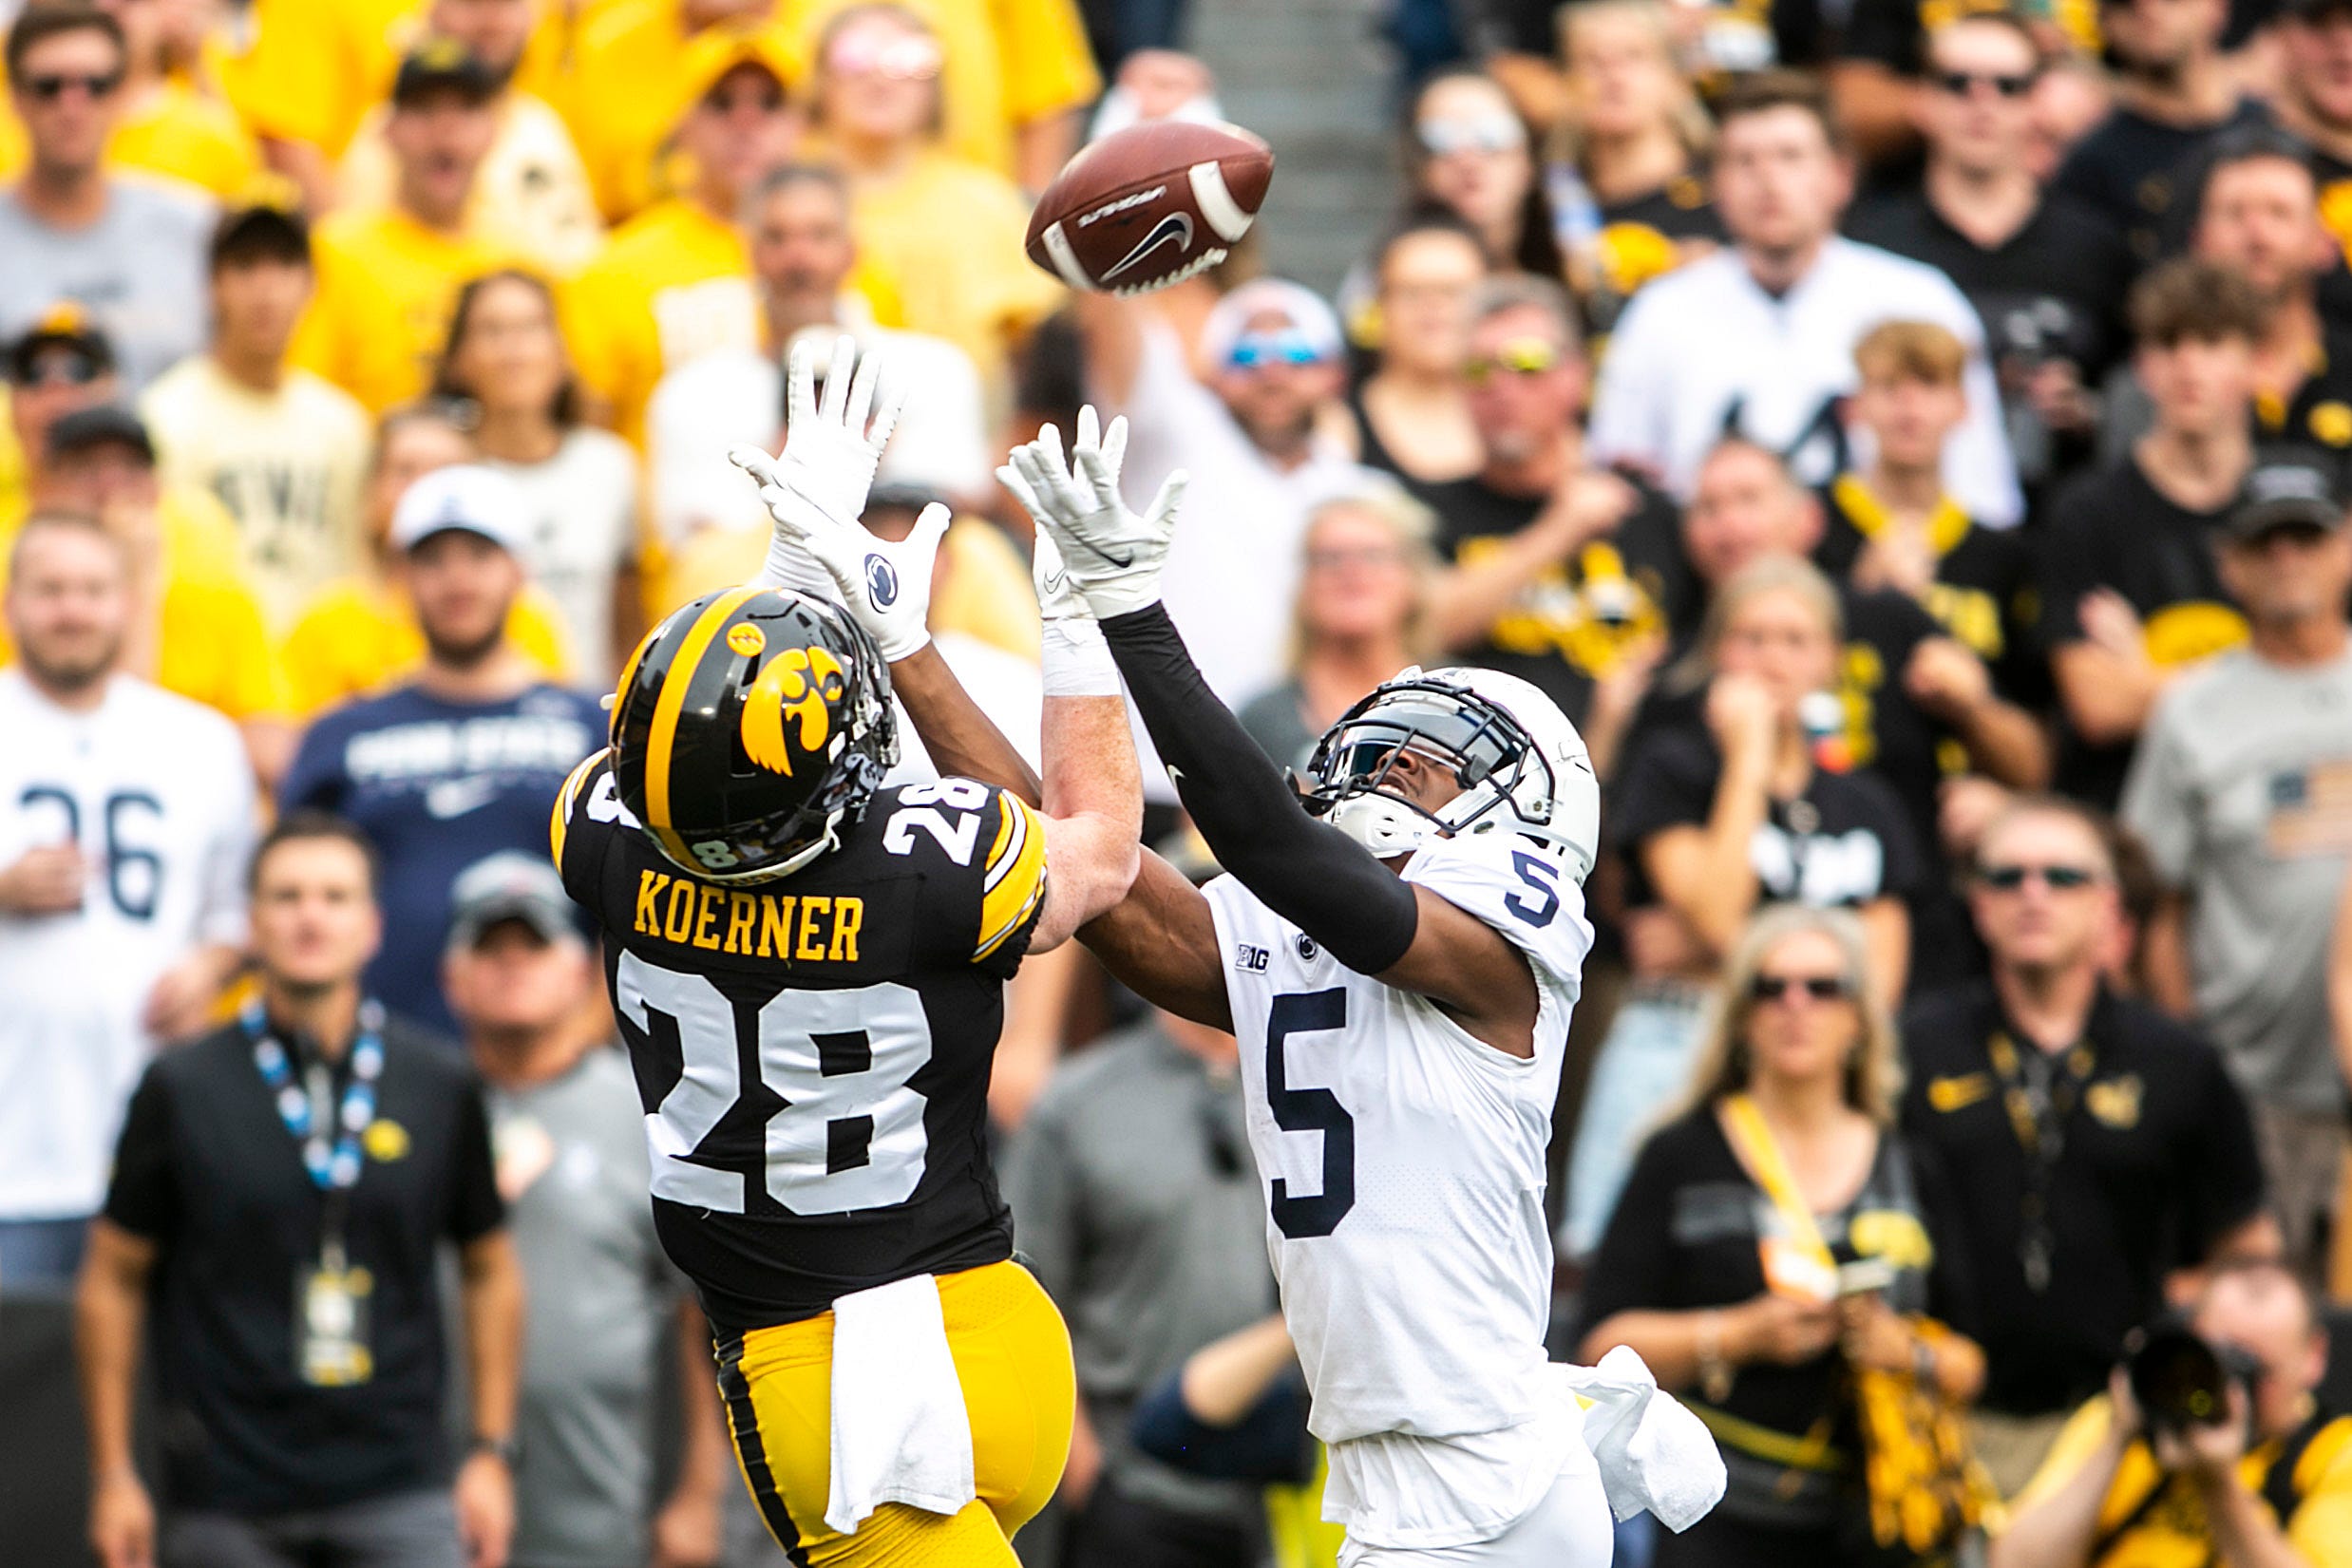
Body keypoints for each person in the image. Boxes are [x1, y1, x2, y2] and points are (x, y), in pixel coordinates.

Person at [825, 395, 1723, 1560]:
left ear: (1521, 815)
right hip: (1386, 1479)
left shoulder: (1507, 935)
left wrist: (1132, 610)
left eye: (1433, 761)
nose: (1390, 761)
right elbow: (1071, 860)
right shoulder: (1300, 920)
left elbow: (1266, 841)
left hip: (1488, 1480)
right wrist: (911, 655)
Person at [555, 337, 1148, 1563]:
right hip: (993, 1328)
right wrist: (1080, 614)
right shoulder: (930, 863)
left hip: (824, 1384)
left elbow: (702, 733)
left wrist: (783, 570)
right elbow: (1104, 847)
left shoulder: (599, 834)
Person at [76, 813, 522, 1568]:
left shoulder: (438, 1081)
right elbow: (110, 1278)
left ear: (373, 924)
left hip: (401, 1484)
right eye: (286, 896)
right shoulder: (181, 1083)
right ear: (251, 923)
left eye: (334, 896)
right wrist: (115, 1472)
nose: (310, 915)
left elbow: (491, 1268)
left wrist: (490, 1449)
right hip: (226, 1492)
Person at [1578, 904, 1985, 1568]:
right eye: (1771, 987)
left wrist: (1904, 1350)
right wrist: (1739, 1335)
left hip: (1880, 1521)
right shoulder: (1678, 1155)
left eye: (1823, 987)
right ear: (1740, 1015)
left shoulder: (1912, 1162)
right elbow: (1602, 1347)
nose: (1796, 1004)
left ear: (1860, 1017)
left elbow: (1973, 1362)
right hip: (1715, 1519)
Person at [1899, 794, 2274, 1496]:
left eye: (2061, 877)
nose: (2032, 894)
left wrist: (2193, 1318)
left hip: (2115, 1429)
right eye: (2006, 877)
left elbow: (2247, 1247)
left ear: (2109, 908)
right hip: (1936, 1418)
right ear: (1978, 904)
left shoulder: (2180, 1060)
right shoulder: (1914, 1046)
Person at [1564, 557, 1924, 1261]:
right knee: (1614, 1261)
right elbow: (1720, 919)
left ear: (1831, 659)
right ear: (1718, 652)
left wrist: (1722, 946)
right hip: (1677, 1038)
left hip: (1816, 1055)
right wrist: (1749, 759)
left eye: (1794, 639)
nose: (1771, 658)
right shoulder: (1674, 766)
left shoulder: (1867, 801)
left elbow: (1876, 980)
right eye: (1750, 637)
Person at [442, 852, 730, 1568]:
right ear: (452, 979)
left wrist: (699, 1493)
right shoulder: (417, 1108)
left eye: (532, 945)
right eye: (489, 948)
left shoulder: (653, 1116)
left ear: (577, 972)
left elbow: (704, 1316)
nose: (512, 965)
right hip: (426, 1507)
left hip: (607, 1507)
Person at [1588, 70, 2022, 526]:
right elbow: (1618, 485)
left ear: (1840, 175)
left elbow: (1984, 495)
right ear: (1716, 184)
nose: (1768, 180)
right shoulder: (1662, 311)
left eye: (1791, 157)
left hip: (1881, 571)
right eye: (1744, 161)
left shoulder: (1918, 300)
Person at [0, 512, 253, 1293]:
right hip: (12, 1148)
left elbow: (240, 912)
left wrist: (209, 970)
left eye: (92, 589)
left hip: (154, 1132)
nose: (71, 609)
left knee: (158, 1398)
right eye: (49, 590)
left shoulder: (201, 740)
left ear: (130, 602)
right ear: (11, 602)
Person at [2123, 451, 2352, 1279]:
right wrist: (2195, 1055)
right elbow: (2158, 902)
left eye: (2307, 537)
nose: (2288, 558)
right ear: (2230, 565)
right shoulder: (2192, 708)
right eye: (2266, 544)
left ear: (2346, 547)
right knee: (2265, 1321)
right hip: (2254, 1088)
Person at [280, 463, 602, 1040]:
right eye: (433, 559)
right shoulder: (340, 736)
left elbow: (638, 909)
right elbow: (286, 904)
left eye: (479, 555)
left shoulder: (590, 730)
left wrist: (583, 1035)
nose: (457, 580)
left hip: (554, 1061)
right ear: (400, 576)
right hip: (381, 1063)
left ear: (519, 570)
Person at [1003, 995, 1279, 1568]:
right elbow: (1018, 1314)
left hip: (1268, 1502)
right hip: (1127, 1496)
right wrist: (1095, 1491)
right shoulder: (1077, 1106)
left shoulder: (1315, 1093)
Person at [646, 161, 991, 573]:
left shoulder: (934, 370)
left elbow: (958, 505)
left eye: (819, 235)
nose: (799, 258)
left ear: (852, 251)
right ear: (750, 254)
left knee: (980, 557)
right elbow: (701, 540)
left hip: (911, 596)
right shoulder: (694, 393)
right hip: (761, 599)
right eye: (777, 238)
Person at [1844, 11, 2131, 490]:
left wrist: (2087, 411)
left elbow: (2135, 393)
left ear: (2037, 104)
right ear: (1922, 100)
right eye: (1958, 83)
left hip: (2062, 510)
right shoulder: (1869, 244)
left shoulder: (2096, 247)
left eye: (2008, 85)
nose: (1983, 103)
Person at [1077, 277, 1378, 712]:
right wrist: (1108, 253)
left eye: (1297, 352)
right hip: (1164, 750)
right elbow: (1124, 336)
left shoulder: (1359, 492)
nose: (1272, 372)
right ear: (1214, 374)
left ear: (1335, 375)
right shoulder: (1175, 442)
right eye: (1246, 355)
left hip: (1301, 755)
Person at [2038, 257, 2264, 810]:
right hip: (2128, 810)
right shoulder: (2086, 511)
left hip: (2268, 807)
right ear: (2142, 367)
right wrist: (2268, 673)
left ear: (2255, 363)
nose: (2189, 367)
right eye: (2168, 344)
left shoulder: (2293, 504)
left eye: (2211, 343)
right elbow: (2100, 707)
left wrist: (2147, 675)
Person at [561, 19, 850, 450]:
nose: (746, 123)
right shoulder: (613, 272)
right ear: (683, 125)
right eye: (721, 103)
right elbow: (586, 439)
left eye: (770, 104)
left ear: (800, 125)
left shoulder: (844, 257)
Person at [1413, 276, 1686, 726]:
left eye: (1527, 363)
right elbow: (1425, 628)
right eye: (1479, 369)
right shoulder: (1428, 512)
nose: (1502, 386)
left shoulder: (1648, 511)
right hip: (1487, 780)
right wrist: (1559, 531)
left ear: (1578, 375)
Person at [1991, 1259, 2352, 1568]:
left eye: (2254, 1372)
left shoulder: (2333, 1454)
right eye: (2218, 1360)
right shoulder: (2126, 1418)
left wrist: (2218, 1485)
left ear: (2314, 1356)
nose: (2231, 1390)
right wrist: (2117, 1441)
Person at [15, 405, 291, 777]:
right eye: (87, 469)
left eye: (131, 469)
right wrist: (139, 588)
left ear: (157, 487)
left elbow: (272, 751)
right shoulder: (24, 592)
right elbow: (98, 737)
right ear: (44, 489)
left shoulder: (218, 597)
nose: (111, 488)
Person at [811, 4, 1063, 404]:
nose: (880, 78)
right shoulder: (785, 200)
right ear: (820, 78)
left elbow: (1038, 352)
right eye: (855, 56)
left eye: (910, 59)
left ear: (938, 85)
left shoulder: (989, 205)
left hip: (966, 444)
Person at [140, 204, 374, 633]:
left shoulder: (343, 422)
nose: (265, 289)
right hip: (214, 669)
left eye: (284, 264)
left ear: (311, 285)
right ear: (212, 285)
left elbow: (359, 565)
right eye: (245, 266)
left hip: (324, 671)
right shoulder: (165, 413)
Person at [278, 403, 577, 718]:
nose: (426, 486)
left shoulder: (528, 618)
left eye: (446, 469)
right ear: (371, 493)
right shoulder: (325, 623)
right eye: (405, 470)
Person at [431, 269, 639, 685]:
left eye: (531, 328)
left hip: (587, 720)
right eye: (492, 331)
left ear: (563, 353)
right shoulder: (439, 471)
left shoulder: (610, 466)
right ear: (457, 360)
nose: (513, 351)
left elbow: (627, 623)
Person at [1817, 321, 2040, 706]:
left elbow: (2028, 712)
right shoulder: (1809, 524)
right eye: (1889, 387)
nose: (1910, 407)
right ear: (1854, 408)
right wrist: (1864, 598)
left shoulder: (2002, 556)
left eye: (1929, 385)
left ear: (1964, 407)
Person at [290, 39, 518, 414]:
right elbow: (305, 397)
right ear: (387, 130)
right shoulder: (335, 252)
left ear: (493, 132)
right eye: (424, 110)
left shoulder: (515, 263)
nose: (445, 128)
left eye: (465, 109)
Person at [2099, 129, 2352, 462]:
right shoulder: (2153, 384)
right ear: (2197, 239)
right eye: (2234, 213)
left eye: (2280, 213)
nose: (2257, 236)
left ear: (2324, 243)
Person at [0, 4, 214, 389]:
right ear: (15, 98)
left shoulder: (195, 227)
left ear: (121, 93)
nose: (72, 106)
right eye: (49, 87)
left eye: (95, 85)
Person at [338, 0, 604, 280]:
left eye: (506, 5)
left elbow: (581, 256)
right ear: (431, 11)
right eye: (471, 4)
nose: (491, 24)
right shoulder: (389, 132)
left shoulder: (538, 124)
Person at [1547, 2, 1722, 338]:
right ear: (1566, 83)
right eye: (1592, 61)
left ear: (1676, 79)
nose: (1613, 76)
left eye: (1634, 56)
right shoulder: (1548, 203)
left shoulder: (1722, 192)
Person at [1238, 489, 1440, 779]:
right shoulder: (1261, 719)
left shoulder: (1465, 700)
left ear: (1414, 578)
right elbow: (1201, 822)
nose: (1351, 571)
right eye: (1330, 559)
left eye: (1373, 556)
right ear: (1304, 586)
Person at [2053, 0, 2268, 270]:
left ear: (2218, 7)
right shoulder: (2089, 165)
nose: (2150, 11)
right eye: (2127, 4)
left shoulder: (2275, 129)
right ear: (2105, 22)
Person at [1346, 216, 1488, 488]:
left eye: (1453, 292)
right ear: (1378, 306)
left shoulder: (1532, 411)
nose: (1433, 306)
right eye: (1411, 292)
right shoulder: (1337, 429)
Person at [83, 0, 262, 200]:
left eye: (130, 3)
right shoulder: (50, 112)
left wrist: (195, 65)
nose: (108, 10)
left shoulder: (207, 75)